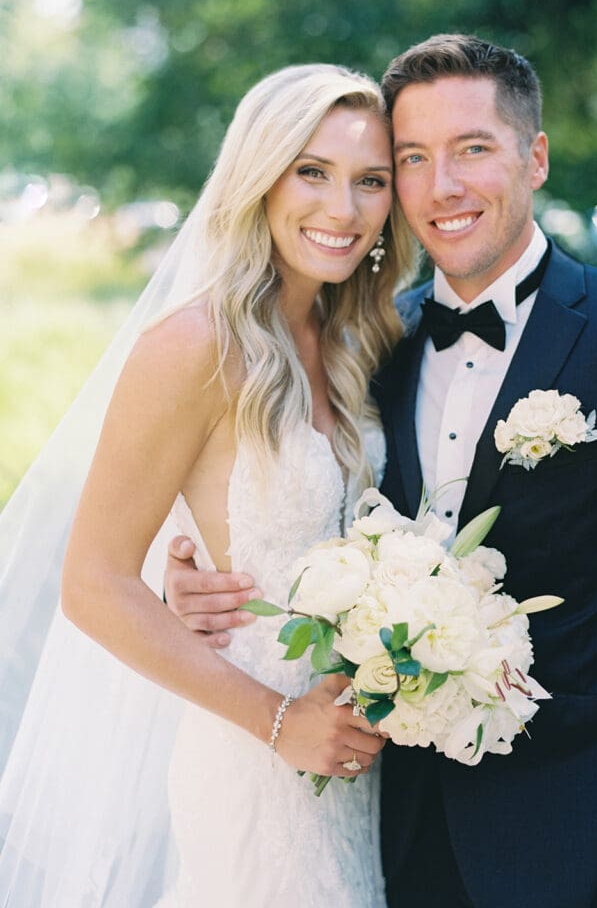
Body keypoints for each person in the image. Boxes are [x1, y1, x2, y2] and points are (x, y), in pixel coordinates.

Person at [166, 35, 597, 908]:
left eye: (472, 150)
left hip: (585, 831)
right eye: (412, 159)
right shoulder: (370, 345)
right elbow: (306, 520)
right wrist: (203, 583)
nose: (441, 187)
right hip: (386, 824)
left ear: (536, 158)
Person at [0, 63, 417, 906]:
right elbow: (91, 583)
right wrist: (276, 720)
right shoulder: (193, 345)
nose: (342, 209)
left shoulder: (359, 339)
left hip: (352, 759)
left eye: (370, 182)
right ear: (259, 177)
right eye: (312, 171)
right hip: (252, 754)